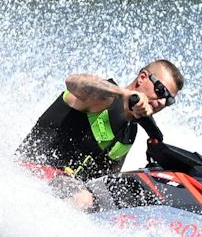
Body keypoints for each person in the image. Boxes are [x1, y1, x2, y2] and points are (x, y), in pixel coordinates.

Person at [16, 59, 184, 181]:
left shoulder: (130, 133)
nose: (162, 102)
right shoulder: (104, 97)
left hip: (63, 191)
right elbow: (72, 82)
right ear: (142, 78)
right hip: (28, 172)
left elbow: (104, 180)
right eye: (161, 90)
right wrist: (124, 94)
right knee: (83, 198)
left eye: (169, 100)